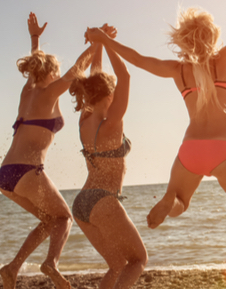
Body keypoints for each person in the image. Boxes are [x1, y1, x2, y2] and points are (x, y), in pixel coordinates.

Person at [84, 0, 226, 231]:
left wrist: (105, 40)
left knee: (181, 201)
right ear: (212, 36)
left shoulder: (178, 71)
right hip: (224, 149)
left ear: (183, 40)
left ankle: (169, 201)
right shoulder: (222, 61)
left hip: (191, 149)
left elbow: (138, 59)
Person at [0, 12, 96, 289]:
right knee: (64, 218)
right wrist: (97, 43)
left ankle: (12, 267)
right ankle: (52, 263)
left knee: (49, 222)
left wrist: (35, 38)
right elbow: (77, 68)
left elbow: (34, 68)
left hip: (5, 175)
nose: (57, 74)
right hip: (27, 171)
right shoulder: (50, 92)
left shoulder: (27, 91)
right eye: (55, 70)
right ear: (51, 72)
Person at [69, 24, 147, 288]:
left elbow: (95, 78)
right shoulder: (112, 123)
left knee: (117, 266)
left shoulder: (85, 119)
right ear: (110, 94)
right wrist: (105, 41)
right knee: (138, 260)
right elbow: (124, 75)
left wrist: (99, 44)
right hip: (102, 199)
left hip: (81, 204)